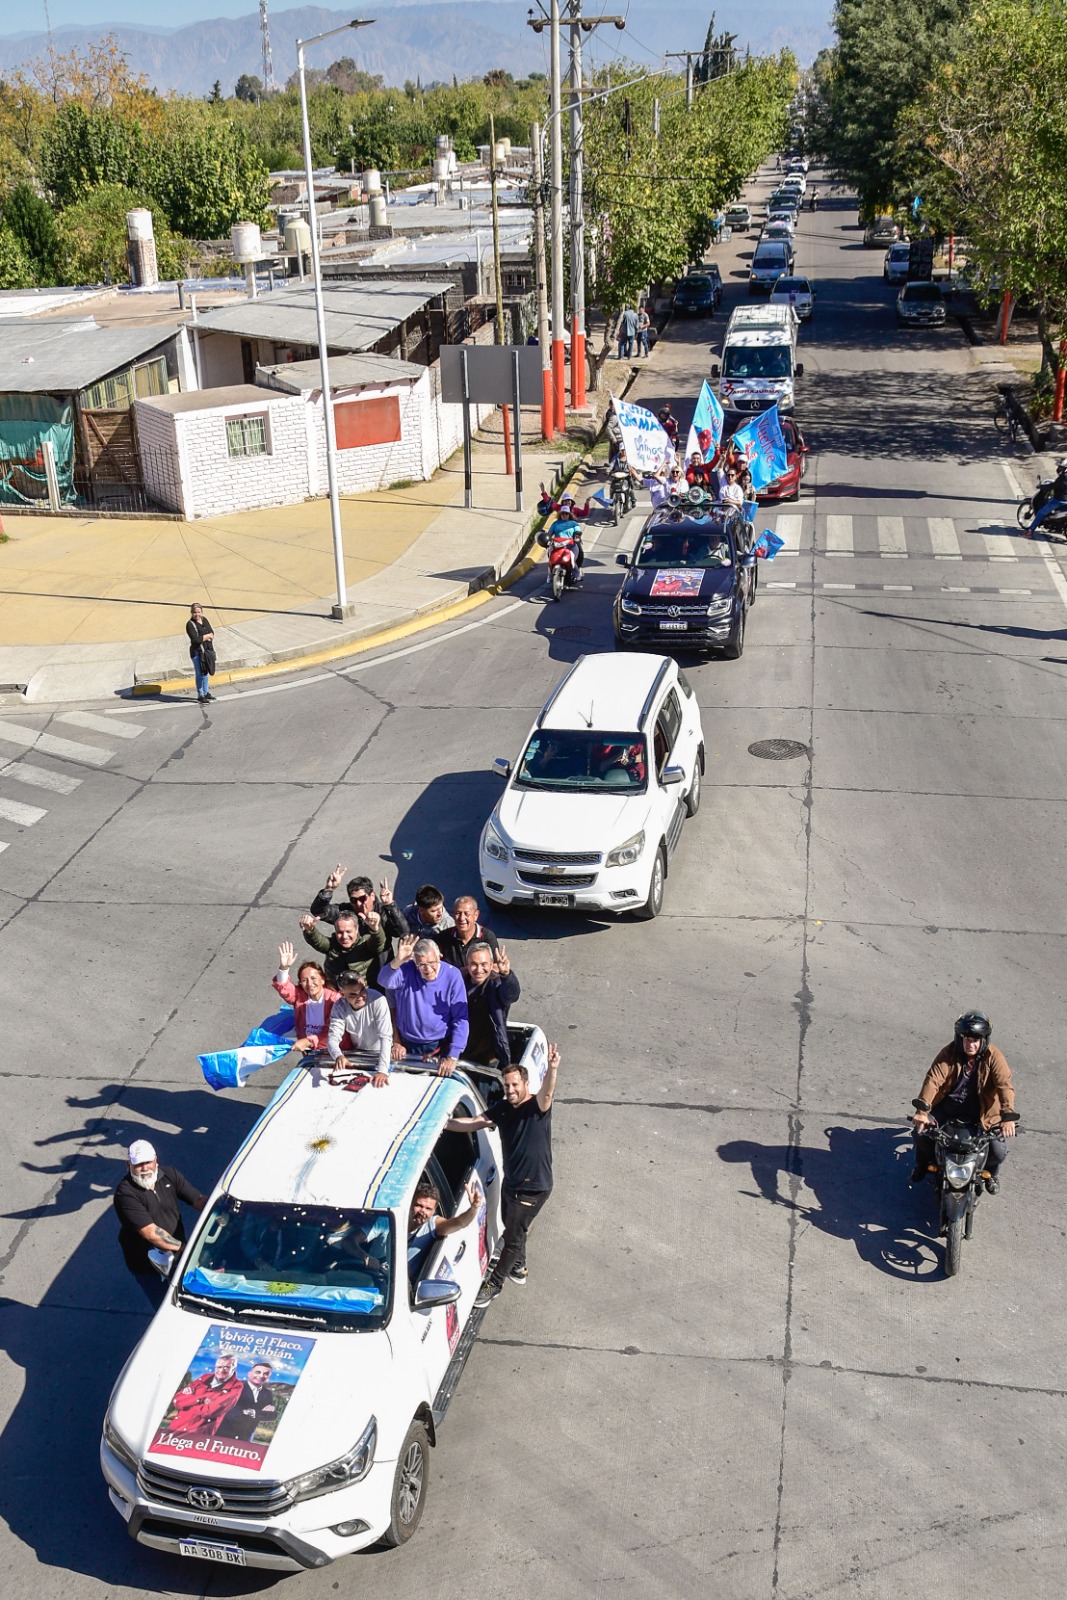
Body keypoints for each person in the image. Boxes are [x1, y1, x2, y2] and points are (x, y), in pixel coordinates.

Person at [448, 1045, 560, 1305]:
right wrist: (444, 1124)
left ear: (526, 1083)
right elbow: (475, 1122)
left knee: (511, 1238)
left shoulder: (537, 1107)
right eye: (507, 1086)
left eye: (514, 1085)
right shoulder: (502, 1108)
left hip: (534, 1188)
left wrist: (553, 1069)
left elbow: (548, 1092)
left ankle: (495, 1284)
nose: (510, 1090)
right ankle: (518, 1267)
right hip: (512, 1183)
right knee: (511, 1226)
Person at [910, 1011, 1019, 1192]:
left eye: (975, 1040)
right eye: (967, 1039)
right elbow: (933, 1079)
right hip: (949, 1108)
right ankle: (922, 1165)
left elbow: (1004, 1085)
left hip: (983, 1114)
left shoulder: (994, 1057)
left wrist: (1007, 1116)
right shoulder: (949, 1053)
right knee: (920, 1134)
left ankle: (990, 1174)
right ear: (960, 1038)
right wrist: (922, 1110)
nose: (970, 1044)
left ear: (983, 1040)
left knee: (998, 1151)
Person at [113, 1139, 207, 1310]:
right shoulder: (125, 1194)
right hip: (147, 1265)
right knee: (166, 1307)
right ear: (128, 1165)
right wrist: (187, 1249)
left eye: (148, 1162)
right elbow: (152, 1233)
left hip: (178, 1255)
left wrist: (224, 1209)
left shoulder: (170, 1175)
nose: (145, 1168)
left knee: (192, 1300)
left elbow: (199, 1201)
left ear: (156, 1159)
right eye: (139, 1164)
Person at [377, 934, 469, 1075]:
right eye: (422, 965)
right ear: (415, 962)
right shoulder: (406, 970)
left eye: (432, 962)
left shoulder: (453, 975)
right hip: (407, 1042)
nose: (428, 969)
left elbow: (461, 1018)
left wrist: (453, 1055)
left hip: (438, 1044)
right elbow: (384, 981)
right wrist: (398, 960)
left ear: (439, 956)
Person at [309, 867, 408, 983]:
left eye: (362, 898)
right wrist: (329, 889)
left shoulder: (383, 912)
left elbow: (404, 932)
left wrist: (390, 905)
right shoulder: (346, 912)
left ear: (372, 895)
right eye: (354, 900)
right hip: (344, 975)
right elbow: (319, 911)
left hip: (377, 972)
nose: (359, 904)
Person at [407, 1177, 482, 1282]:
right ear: (410, 1203)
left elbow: (461, 1222)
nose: (422, 1211)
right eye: (419, 1205)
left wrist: (474, 1208)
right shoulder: (391, 1217)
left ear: (434, 1211)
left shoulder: (432, 1225)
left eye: (428, 1209)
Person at [325, 971, 394, 1084]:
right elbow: (333, 1037)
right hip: (358, 1055)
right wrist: (338, 1055)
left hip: (382, 1054)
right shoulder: (339, 1006)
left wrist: (382, 1071)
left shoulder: (378, 1000)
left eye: (362, 990)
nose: (360, 997)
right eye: (353, 994)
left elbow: (385, 1037)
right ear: (342, 994)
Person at [272, 942, 340, 1053]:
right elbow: (284, 988)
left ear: (322, 979)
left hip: (334, 1052)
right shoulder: (301, 997)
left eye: (313, 978)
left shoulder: (335, 1000)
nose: (309, 984)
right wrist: (284, 968)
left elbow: (333, 1032)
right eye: (304, 980)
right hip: (310, 1052)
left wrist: (308, 1041)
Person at [463, 941, 519, 1067]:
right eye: (474, 964)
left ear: (491, 964)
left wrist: (506, 974)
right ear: (467, 965)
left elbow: (512, 995)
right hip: (461, 1053)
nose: (479, 970)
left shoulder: (497, 984)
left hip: (489, 1057)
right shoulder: (458, 984)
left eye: (484, 964)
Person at [299, 908, 385, 987]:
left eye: (348, 931)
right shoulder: (332, 944)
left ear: (356, 929)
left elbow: (378, 943)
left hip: (363, 992)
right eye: (340, 932)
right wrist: (310, 930)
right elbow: (319, 941)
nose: (344, 936)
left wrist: (375, 929)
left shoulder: (365, 944)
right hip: (336, 993)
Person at [169, 1352, 244, 1437]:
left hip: (198, 1435)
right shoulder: (205, 1377)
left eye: (227, 1367)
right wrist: (201, 1400)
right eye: (219, 1367)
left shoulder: (236, 1386)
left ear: (234, 1367)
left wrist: (187, 1401)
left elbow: (209, 1412)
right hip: (174, 1428)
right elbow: (176, 1400)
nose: (221, 1370)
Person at [214, 1361, 277, 1441]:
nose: (261, 1376)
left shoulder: (267, 1393)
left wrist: (251, 1412)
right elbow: (230, 1411)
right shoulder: (235, 1386)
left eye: (266, 1374)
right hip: (223, 1433)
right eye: (258, 1372)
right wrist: (259, 1413)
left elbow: (273, 1416)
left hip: (246, 1436)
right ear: (249, 1373)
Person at [438, 896, 500, 971]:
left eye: (467, 914)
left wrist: (468, 971)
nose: (462, 918)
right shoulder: (443, 937)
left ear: (476, 915)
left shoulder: (487, 937)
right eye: (458, 913)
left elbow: (496, 967)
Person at [186, 603, 215, 706]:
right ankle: (200, 695)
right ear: (191, 613)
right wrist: (207, 636)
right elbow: (196, 640)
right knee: (200, 674)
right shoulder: (190, 624)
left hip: (207, 651)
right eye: (194, 612)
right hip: (197, 653)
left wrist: (207, 636)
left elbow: (212, 632)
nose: (197, 614)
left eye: (198, 612)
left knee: (206, 672)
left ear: (202, 612)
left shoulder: (204, 620)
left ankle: (206, 692)